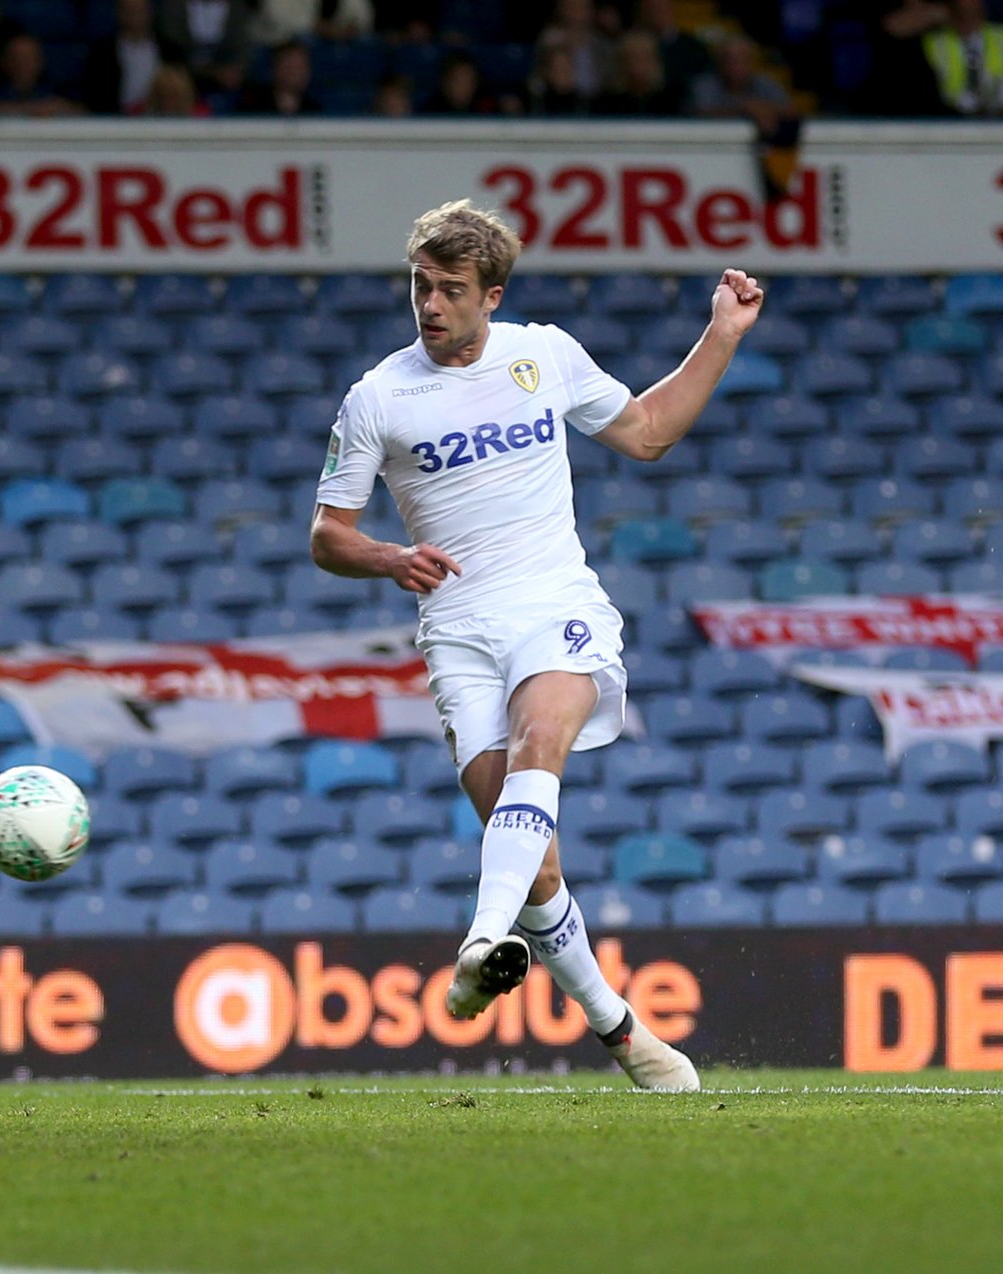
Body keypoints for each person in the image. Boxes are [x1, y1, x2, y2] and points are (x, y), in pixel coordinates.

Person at [310, 199, 765, 1091]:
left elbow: (647, 433)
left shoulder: (543, 354)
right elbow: (328, 534)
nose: (429, 305)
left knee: (538, 745)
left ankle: (481, 941)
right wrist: (388, 556)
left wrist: (722, 333)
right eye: (419, 286)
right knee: (537, 865)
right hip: (457, 631)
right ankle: (625, 1033)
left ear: (493, 295)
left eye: (449, 290)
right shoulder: (379, 397)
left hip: (556, 604)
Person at [83, 0, 186, 115]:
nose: (134, 15)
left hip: (161, 118)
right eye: (128, 10)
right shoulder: (102, 52)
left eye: (139, 10)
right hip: (118, 120)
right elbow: (95, 96)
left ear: (150, 12)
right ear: (119, 13)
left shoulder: (170, 49)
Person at [689, 35, 793, 133]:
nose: (736, 66)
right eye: (730, 60)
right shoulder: (704, 85)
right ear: (719, 62)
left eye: (743, 60)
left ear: (752, 62)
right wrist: (744, 109)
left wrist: (762, 109)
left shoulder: (765, 83)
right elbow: (700, 114)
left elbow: (791, 112)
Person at [922, 0, 1003, 115]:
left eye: (972, 10)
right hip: (951, 117)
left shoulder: (1000, 37)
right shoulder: (935, 42)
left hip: (996, 118)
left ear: (982, 10)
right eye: (960, 10)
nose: (967, 15)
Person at [0, 34, 83, 116]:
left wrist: (61, 107)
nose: (23, 65)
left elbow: (83, 113)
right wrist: (30, 109)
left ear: (41, 61)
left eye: (29, 59)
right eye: (16, 58)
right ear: (5, 63)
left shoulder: (60, 89)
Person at [597, 28, 680, 115]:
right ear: (622, 63)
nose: (638, 66)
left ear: (655, 62)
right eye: (632, 58)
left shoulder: (670, 101)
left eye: (644, 59)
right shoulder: (607, 102)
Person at [237, 38, 318, 115]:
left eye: (301, 67)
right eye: (290, 66)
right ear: (275, 69)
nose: (296, 73)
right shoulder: (252, 106)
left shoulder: (315, 111)